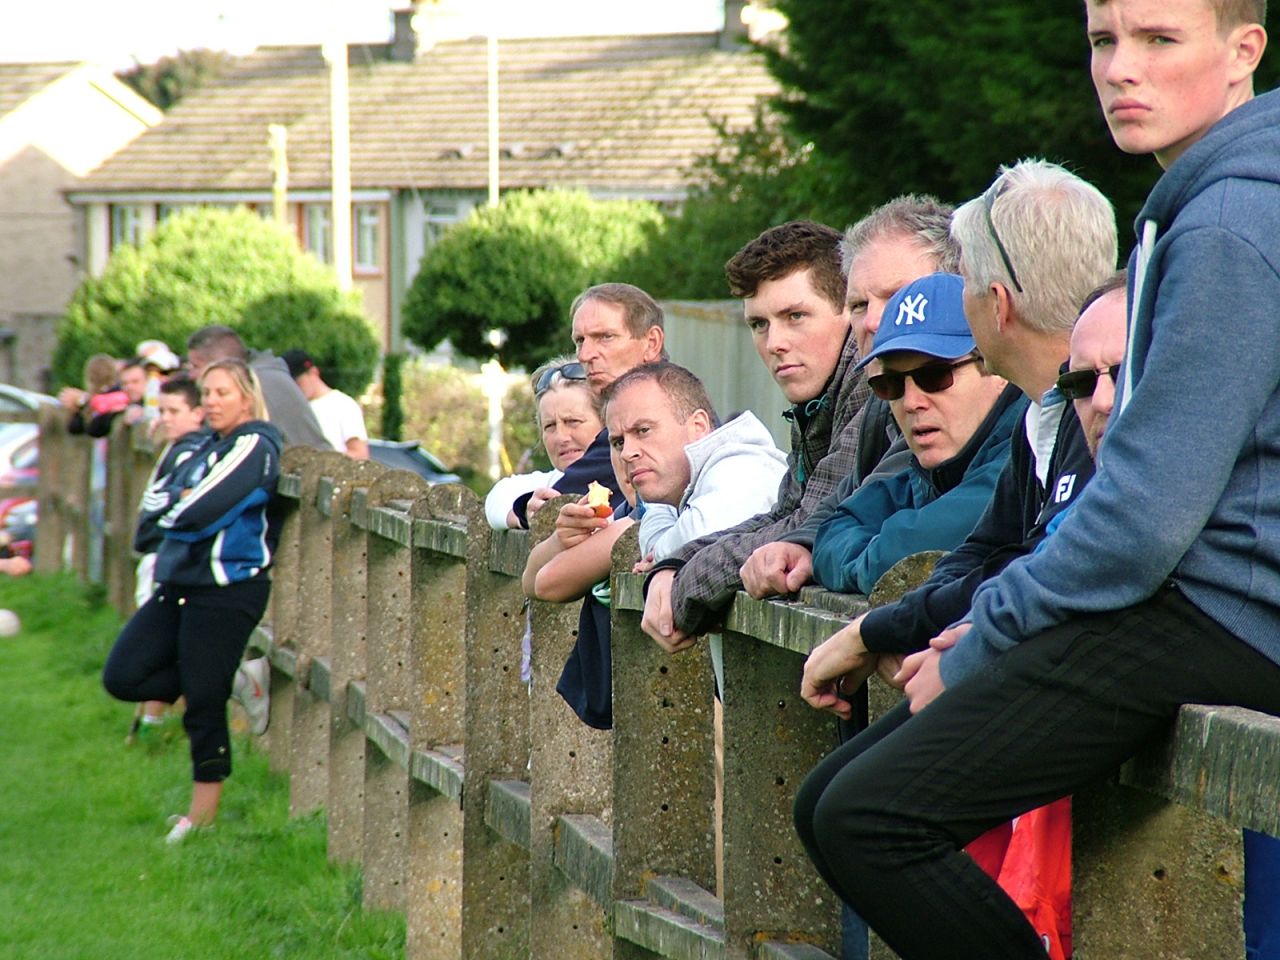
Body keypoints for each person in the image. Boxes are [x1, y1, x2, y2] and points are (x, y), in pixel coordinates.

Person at [791, 1, 1280, 956]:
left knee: (868, 820)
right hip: (1188, 602)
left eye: (1158, 40)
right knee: (826, 804)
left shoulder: (1231, 218)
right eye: (1104, 40)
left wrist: (983, 642)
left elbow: (1142, 516)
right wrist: (985, 622)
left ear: (1243, 50)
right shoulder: (1203, 205)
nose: (1120, 71)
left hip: (1225, 613)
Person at [102, 358, 283, 844]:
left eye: (222, 392)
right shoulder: (203, 447)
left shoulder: (257, 444)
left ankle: (200, 820)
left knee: (203, 702)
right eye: (206, 393)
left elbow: (198, 512)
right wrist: (181, 499)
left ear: (246, 396)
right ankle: (236, 678)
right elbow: (149, 521)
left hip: (227, 591)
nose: (211, 401)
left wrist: (181, 501)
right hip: (178, 586)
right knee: (123, 675)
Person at [810, 273, 1022, 597]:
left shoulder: (1026, 449)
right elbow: (833, 532)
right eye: (891, 385)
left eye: (935, 375)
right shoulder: (936, 468)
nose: (911, 402)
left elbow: (908, 549)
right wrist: (871, 558)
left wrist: (869, 559)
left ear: (996, 368)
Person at [611, 361, 788, 691]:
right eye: (619, 441)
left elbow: (697, 537)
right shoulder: (686, 489)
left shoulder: (744, 467)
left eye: (643, 431)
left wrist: (664, 559)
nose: (628, 453)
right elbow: (665, 542)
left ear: (699, 426)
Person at [510, 283, 666, 529]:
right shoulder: (636, 409)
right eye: (580, 341)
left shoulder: (652, 413)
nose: (585, 354)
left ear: (651, 342)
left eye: (605, 337)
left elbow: (552, 510)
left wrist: (520, 511)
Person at [125, 375, 210, 745]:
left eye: (175, 411)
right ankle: (160, 728)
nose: (166, 418)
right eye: (162, 411)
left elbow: (179, 505)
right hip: (156, 553)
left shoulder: (192, 452)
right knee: (165, 646)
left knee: (160, 647)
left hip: (167, 557)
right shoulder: (177, 445)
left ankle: (152, 730)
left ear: (198, 413)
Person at [484, 356, 603, 530]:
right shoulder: (552, 483)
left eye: (573, 421)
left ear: (607, 421)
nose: (561, 437)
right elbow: (497, 497)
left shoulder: (631, 485)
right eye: (550, 426)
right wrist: (524, 510)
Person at [185, 325, 330, 449]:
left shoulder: (257, 383)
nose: (190, 374)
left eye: (196, 366)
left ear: (221, 364)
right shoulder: (265, 375)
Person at [281, 349, 370, 459]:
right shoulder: (291, 408)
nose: (295, 389)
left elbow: (360, 454)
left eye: (298, 382)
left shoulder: (343, 405)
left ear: (313, 372)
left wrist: (322, 459)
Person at [62, 357, 148, 438]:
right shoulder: (119, 400)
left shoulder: (151, 402)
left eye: (135, 382)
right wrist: (114, 413)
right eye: (125, 383)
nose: (129, 387)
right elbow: (92, 428)